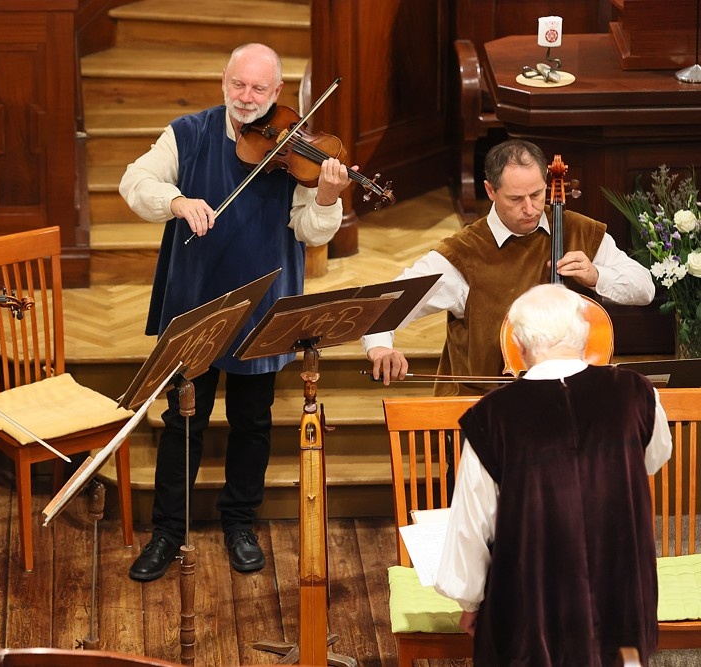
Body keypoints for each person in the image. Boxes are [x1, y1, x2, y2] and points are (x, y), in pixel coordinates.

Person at [118, 43, 351, 581]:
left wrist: (328, 198)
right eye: (238, 85)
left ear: (278, 94)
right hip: (195, 301)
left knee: (252, 421)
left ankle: (239, 523)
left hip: (264, 306)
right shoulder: (188, 133)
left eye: (260, 90)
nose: (247, 99)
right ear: (224, 82)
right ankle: (167, 532)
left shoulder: (294, 150)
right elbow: (135, 182)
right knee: (183, 421)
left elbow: (311, 232)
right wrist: (176, 202)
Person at [433, 283, 672, 665]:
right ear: (584, 332)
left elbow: (473, 524)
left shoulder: (493, 416)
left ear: (519, 343)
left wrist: (470, 600)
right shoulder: (636, 392)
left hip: (532, 611)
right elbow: (655, 457)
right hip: (623, 594)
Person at [362, 139, 655, 395]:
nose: (529, 208)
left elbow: (645, 289)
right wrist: (380, 348)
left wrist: (596, 275)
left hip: (575, 401)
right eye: (516, 199)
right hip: (484, 411)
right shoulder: (463, 253)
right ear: (490, 190)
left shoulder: (579, 232)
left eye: (537, 195)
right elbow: (385, 304)